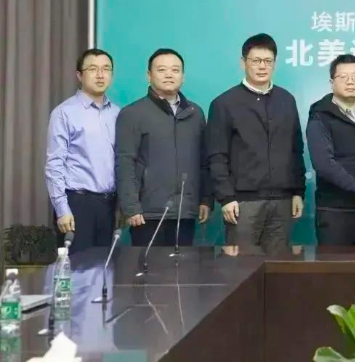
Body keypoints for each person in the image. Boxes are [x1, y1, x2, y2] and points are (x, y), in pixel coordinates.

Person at [207, 34, 305, 255]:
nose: (262, 66)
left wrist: (298, 192)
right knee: (241, 267)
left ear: (275, 63)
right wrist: (226, 198)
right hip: (242, 204)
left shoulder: (286, 100)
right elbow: (217, 155)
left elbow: (295, 149)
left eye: (268, 61)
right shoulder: (224, 103)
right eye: (256, 60)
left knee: (278, 266)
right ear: (243, 62)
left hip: (282, 202)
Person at [116, 48, 212, 247]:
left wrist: (206, 199)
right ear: (149, 75)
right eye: (162, 70)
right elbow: (125, 162)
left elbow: (204, 162)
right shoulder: (132, 113)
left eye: (175, 70)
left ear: (183, 77)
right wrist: (131, 207)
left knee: (183, 265)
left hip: (185, 211)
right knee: (147, 266)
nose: (169, 75)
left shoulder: (195, 113)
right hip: (147, 213)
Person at [44, 48, 120, 254]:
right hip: (77, 204)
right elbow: (54, 164)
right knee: (77, 269)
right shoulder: (64, 113)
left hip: (109, 206)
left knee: (105, 267)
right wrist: (62, 209)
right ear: (79, 75)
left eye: (106, 69)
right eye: (93, 69)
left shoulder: (117, 113)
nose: (100, 75)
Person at [306, 54, 355, 246]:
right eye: (343, 77)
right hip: (335, 213)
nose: (350, 81)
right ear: (331, 82)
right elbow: (323, 164)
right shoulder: (320, 115)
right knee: (335, 266)